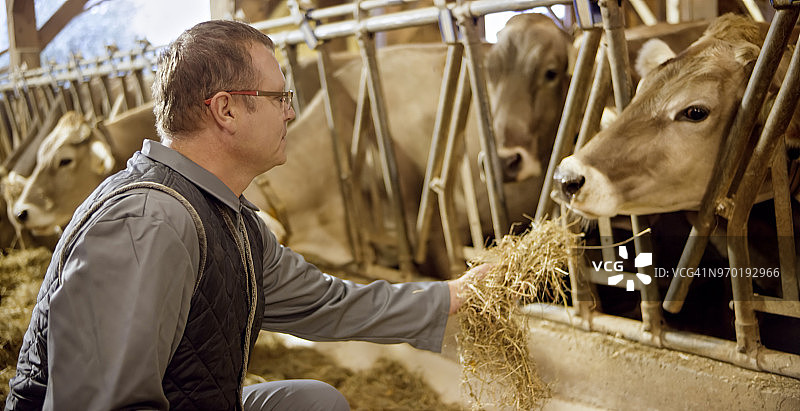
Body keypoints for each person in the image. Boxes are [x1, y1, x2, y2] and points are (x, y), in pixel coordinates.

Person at [5, 19, 486, 411]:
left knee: (308, 402)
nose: (291, 114)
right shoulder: (148, 222)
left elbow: (329, 304)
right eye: (279, 98)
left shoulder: (228, 219)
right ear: (226, 111)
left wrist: (452, 296)